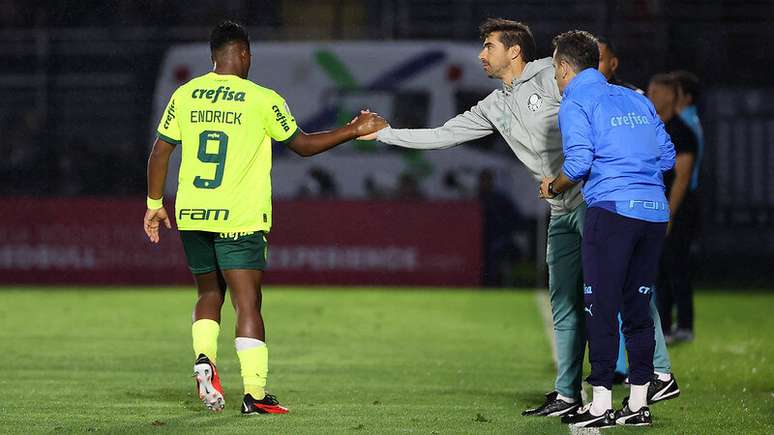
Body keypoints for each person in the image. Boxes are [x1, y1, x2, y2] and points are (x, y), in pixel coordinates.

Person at [357, 18, 677, 417]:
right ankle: (566, 395)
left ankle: (659, 374)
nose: (481, 54)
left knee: (624, 292)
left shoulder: (550, 73)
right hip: (559, 208)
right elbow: (443, 134)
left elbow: (598, 94)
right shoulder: (495, 105)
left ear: (514, 51)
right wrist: (385, 134)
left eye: (489, 46)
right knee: (564, 301)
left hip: (594, 200)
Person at [144, 21, 386, 415]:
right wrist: (353, 129)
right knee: (247, 303)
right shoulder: (261, 99)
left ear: (212, 56)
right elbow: (303, 145)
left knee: (208, 294)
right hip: (239, 217)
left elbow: (160, 152)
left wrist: (155, 204)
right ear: (244, 54)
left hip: (191, 214)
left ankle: (204, 359)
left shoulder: (185, 94)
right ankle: (255, 395)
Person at [541, 30, 675, 428]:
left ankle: (599, 403)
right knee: (638, 307)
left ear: (565, 67)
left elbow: (579, 163)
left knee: (600, 305)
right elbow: (666, 155)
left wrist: (553, 186)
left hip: (612, 211)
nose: (555, 77)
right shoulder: (636, 98)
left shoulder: (576, 100)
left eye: (554, 68)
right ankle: (637, 404)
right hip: (653, 213)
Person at [598, 36, 641, 383]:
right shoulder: (580, 99)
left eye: (601, 60)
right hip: (600, 204)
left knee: (635, 291)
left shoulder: (632, 99)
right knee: (604, 290)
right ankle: (618, 366)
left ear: (613, 65)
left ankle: (651, 368)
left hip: (631, 205)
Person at [648, 73, 700, 343]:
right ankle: (665, 326)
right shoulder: (652, 127)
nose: (650, 97)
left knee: (676, 264)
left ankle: (685, 326)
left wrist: (668, 213)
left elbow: (682, 176)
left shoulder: (682, 131)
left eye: (655, 92)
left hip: (675, 210)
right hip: (654, 207)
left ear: (670, 95)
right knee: (658, 268)